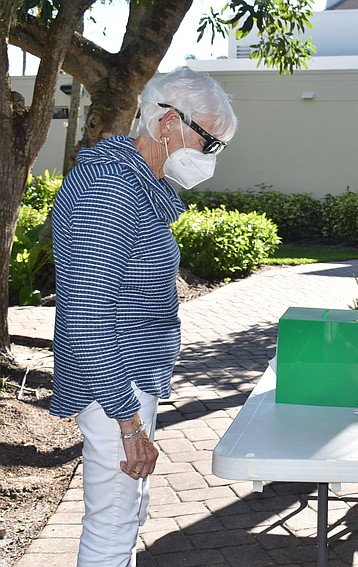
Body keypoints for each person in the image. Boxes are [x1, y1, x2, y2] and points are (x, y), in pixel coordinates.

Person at [49, 66, 237, 567]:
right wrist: (128, 422)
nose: (210, 156)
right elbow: (87, 312)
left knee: (127, 515)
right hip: (113, 382)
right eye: (209, 141)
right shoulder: (111, 187)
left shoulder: (137, 185)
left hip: (126, 377)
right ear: (169, 122)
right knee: (112, 526)